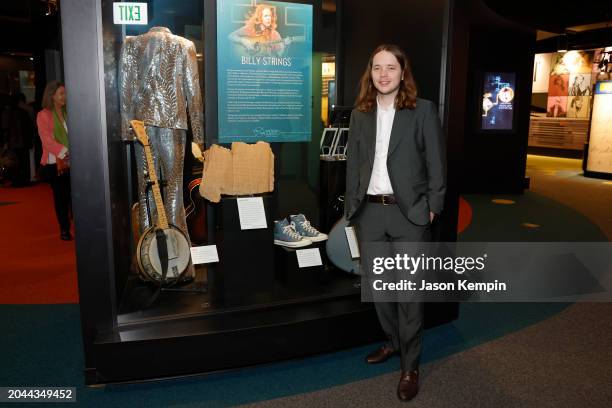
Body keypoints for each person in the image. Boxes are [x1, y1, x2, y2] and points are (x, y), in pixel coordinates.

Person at [345, 44, 446, 401]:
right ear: (369, 74)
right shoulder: (361, 113)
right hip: (370, 214)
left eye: (391, 67)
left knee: (409, 293)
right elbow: (354, 162)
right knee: (378, 290)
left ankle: (410, 365)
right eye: (377, 68)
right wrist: (351, 209)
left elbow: (436, 163)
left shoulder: (423, 111)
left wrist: (433, 206)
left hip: (410, 216)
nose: (384, 74)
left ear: (403, 73)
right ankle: (393, 342)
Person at [37, 81, 72, 241]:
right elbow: (47, 141)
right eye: (61, 94)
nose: (64, 97)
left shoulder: (68, 112)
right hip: (54, 163)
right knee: (61, 198)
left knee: (74, 197)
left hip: (74, 161)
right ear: (52, 96)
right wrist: (66, 152)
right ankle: (64, 228)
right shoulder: (43, 115)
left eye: (65, 93)